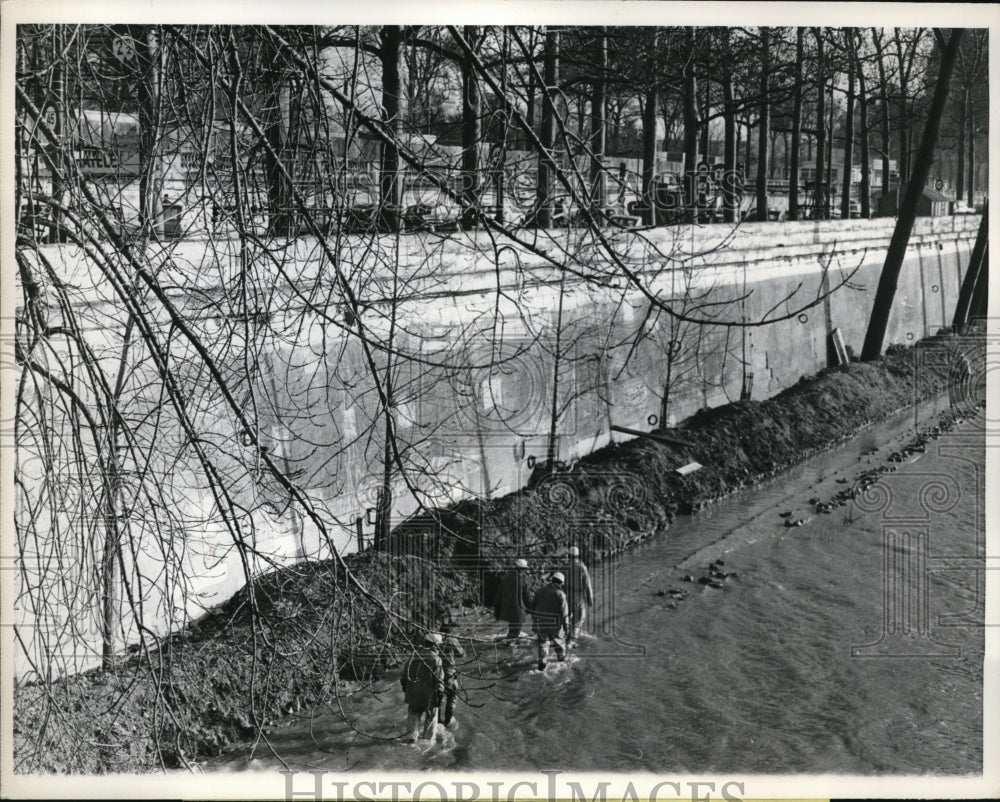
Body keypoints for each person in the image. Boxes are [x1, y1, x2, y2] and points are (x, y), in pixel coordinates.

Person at [400, 632, 444, 743]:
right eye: (439, 645)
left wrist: (407, 690)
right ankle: (427, 742)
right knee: (430, 722)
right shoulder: (437, 660)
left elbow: (403, 678)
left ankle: (411, 739)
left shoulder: (413, 655)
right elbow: (439, 682)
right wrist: (440, 697)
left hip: (413, 695)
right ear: (435, 645)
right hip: (429, 697)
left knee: (413, 720)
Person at [531, 571, 570, 671]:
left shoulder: (539, 591)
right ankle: (561, 661)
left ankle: (542, 664)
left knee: (543, 644)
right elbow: (565, 616)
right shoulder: (561, 595)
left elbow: (531, 608)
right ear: (561, 583)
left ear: (552, 580)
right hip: (555, 627)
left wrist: (536, 621)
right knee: (559, 643)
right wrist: (568, 631)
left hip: (540, 624)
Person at [492, 558, 532, 641]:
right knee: (515, 633)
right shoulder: (523, 580)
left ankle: (510, 642)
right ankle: (509, 648)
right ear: (523, 569)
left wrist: (497, 610)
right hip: (519, 611)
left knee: (513, 629)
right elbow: (527, 597)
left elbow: (498, 596)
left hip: (508, 610)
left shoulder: (505, 578)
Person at [564, 545, 594, 645]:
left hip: (565, 595)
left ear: (569, 555)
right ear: (578, 556)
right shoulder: (582, 567)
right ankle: (572, 639)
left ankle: (565, 634)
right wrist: (590, 599)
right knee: (578, 618)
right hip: (578, 596)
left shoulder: (564, 566)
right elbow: (587, 584)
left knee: (566, 616)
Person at [438, 621, 465, 728]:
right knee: (453, 696)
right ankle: (447, 722)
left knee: (438, 698)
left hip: (435, 672)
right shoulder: (451, 639)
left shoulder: (435, 639)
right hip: (449, 673)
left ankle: (437, 722)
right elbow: (461, 653)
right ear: (450, 632)